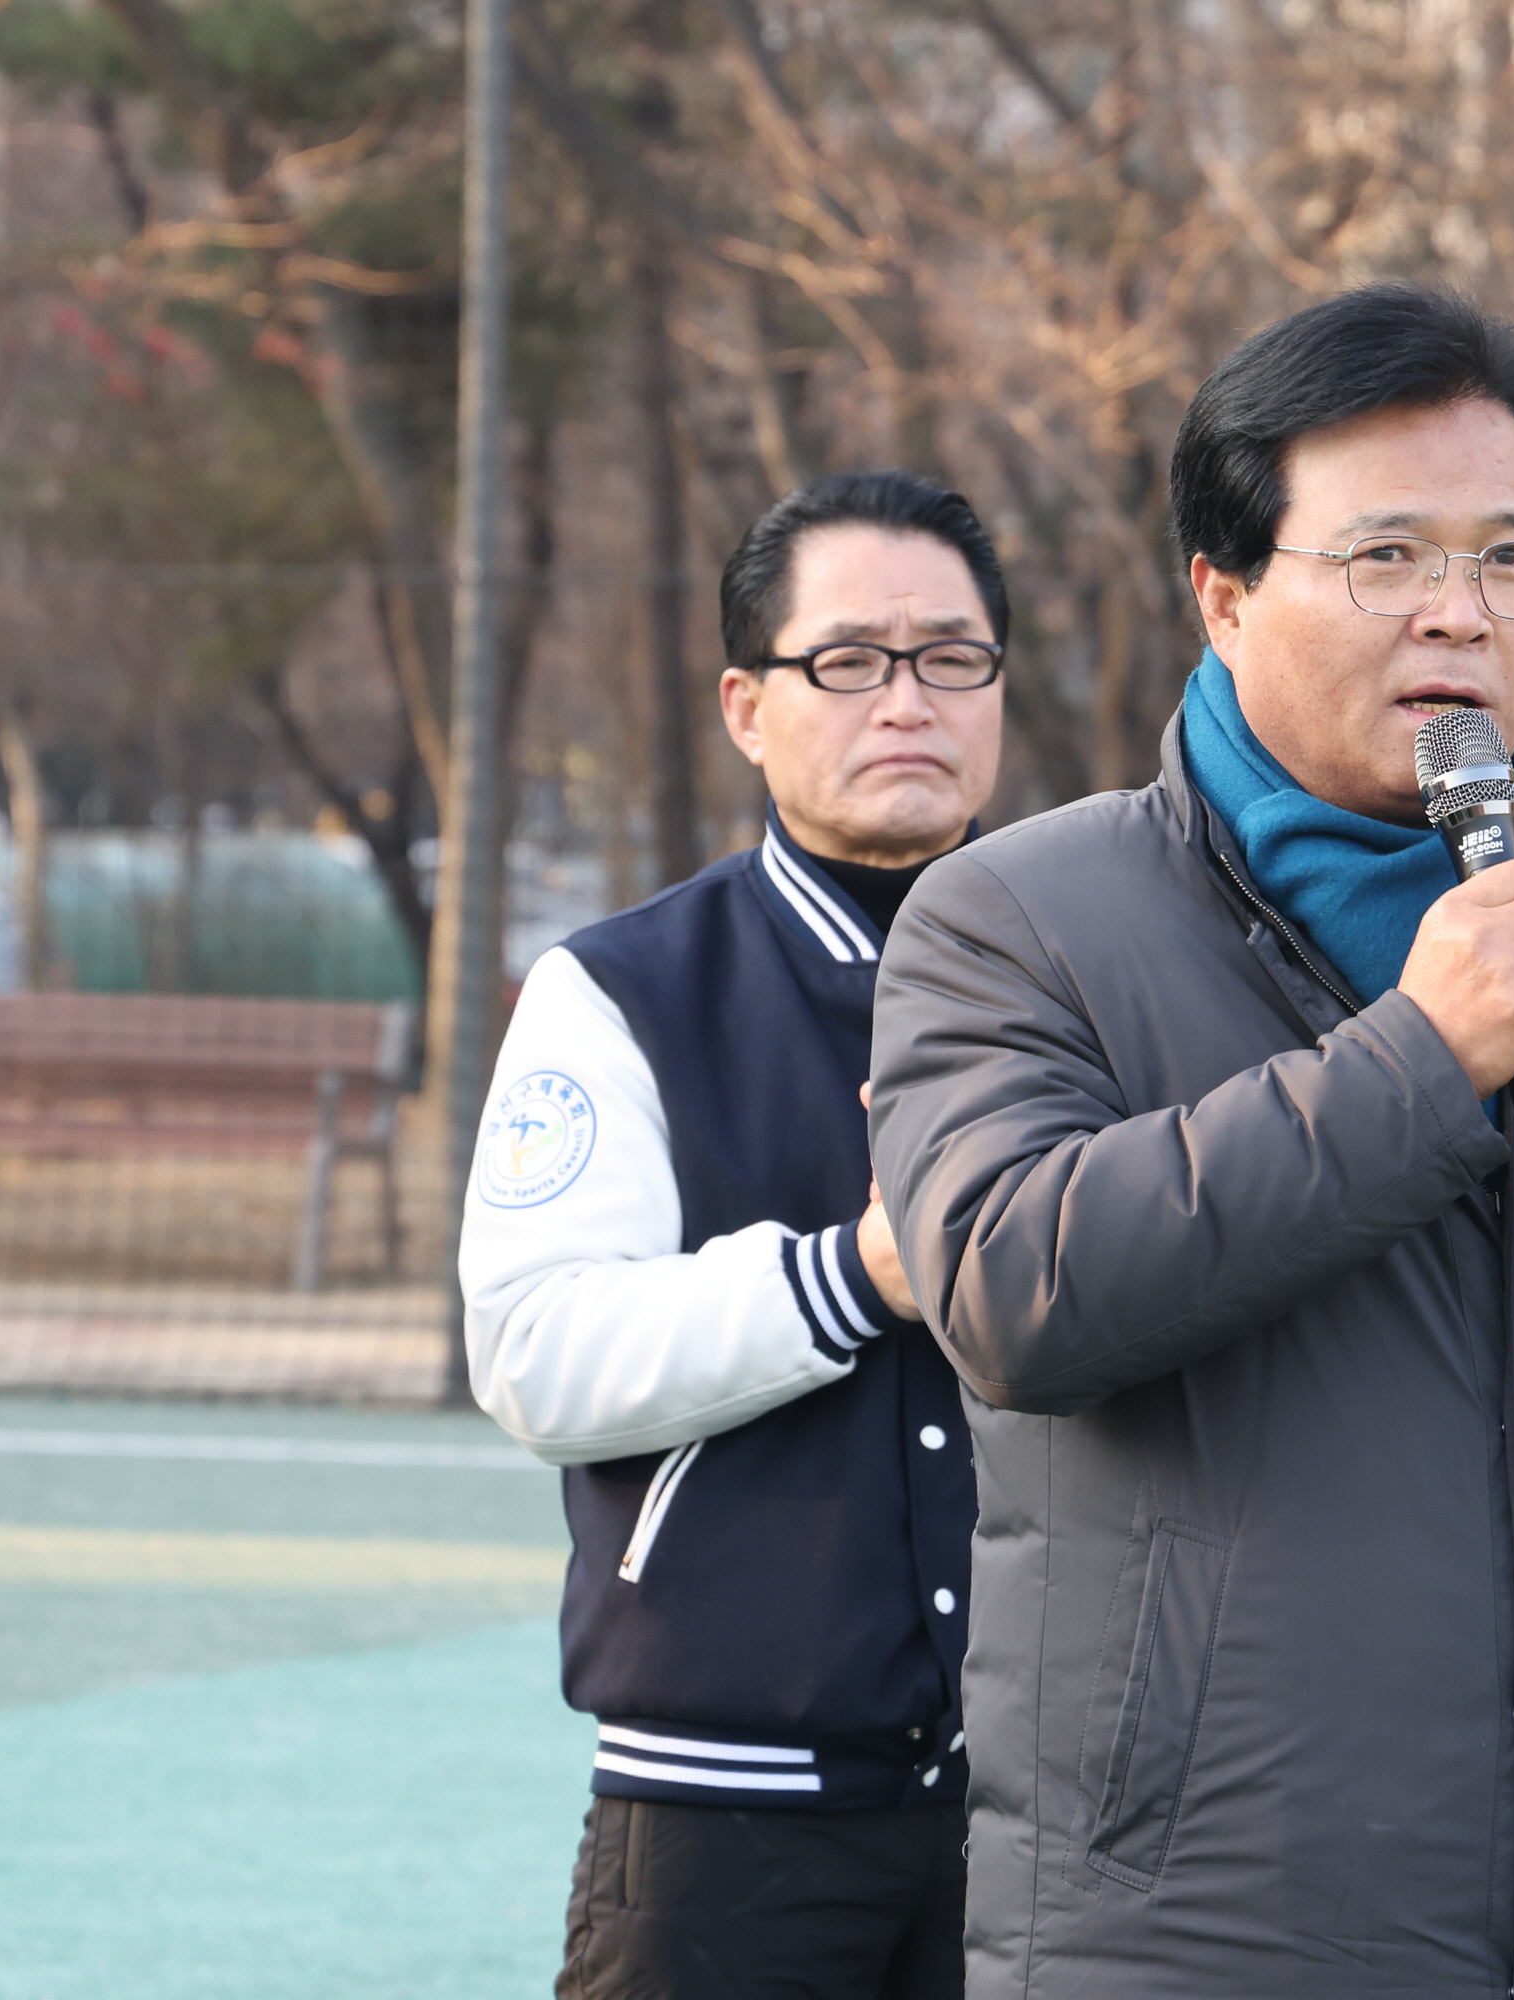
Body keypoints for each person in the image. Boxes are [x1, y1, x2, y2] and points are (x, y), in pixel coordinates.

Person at [865, 283, 1514, 1998]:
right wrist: (1422, 1062)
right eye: (1387, 558)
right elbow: (1013, 1287)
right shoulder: (1018, 919)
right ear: (1223, 593)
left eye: (1512, 558)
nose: (1461, 615)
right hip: (1199, 1936)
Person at [463, 469, 1008, 1998]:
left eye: (952, 657)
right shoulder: (621, 990)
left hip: (1055, 1814)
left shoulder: (1093, 971)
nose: (907, 699)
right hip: (720, 1818)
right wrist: (854, 1275)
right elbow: (535, 1352)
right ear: (746, 707)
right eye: (847, 660)